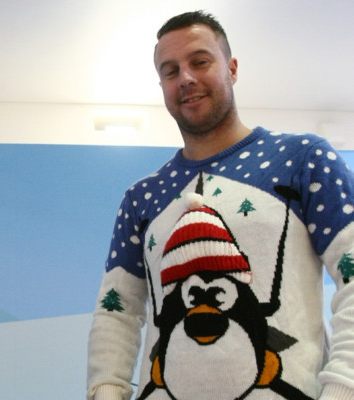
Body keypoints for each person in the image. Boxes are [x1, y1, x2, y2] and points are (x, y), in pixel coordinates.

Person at [87, 10, 354, 400]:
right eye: (170, 70)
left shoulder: (303, 160)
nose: (186, 78)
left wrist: (343, 386)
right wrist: (105, 390)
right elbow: (118, 309)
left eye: (200, 61)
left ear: (231, 68)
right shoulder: (141, 198)